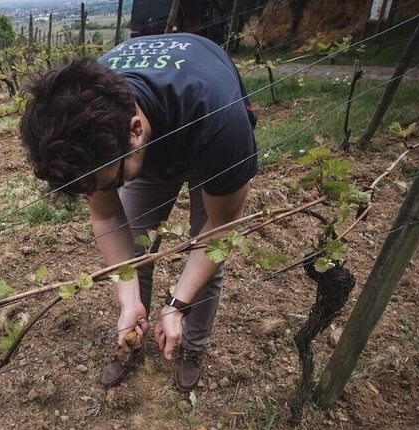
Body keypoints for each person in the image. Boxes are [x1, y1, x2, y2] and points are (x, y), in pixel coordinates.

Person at [19, 33, 258, 391]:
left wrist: (177, 303)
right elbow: (106, 216)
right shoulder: (86, 126)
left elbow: (221, 225)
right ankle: (133, 336)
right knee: (136, 247)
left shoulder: (218, 117)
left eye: (111, 182)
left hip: (202, 136)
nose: (104, 192)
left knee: (207, 258)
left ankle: (193, 347)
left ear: (133, 131)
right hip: (146, 142)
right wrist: (127, 299)